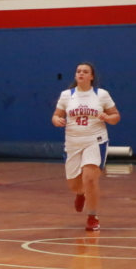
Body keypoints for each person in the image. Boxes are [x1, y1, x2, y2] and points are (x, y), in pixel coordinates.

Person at [52, 62, 120, 231]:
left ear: (91, 76)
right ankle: (80, 193)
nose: (81, 74)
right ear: (75, 75)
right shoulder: (67, 95)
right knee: (75, 185)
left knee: (89, 179)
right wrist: (57, 121)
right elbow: (56, 115)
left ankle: (92, 216)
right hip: (73, 143)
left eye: (85, 72)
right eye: (78, 71)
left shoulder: (101, 95)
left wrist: (108, 118)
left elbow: (116, 116)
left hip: (95, 141)